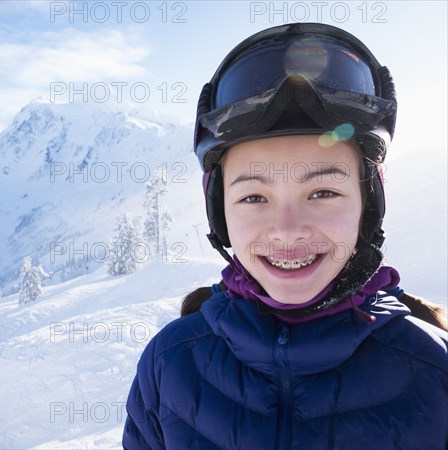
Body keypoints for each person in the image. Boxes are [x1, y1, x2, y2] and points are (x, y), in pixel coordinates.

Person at [122, 23, 447, 449]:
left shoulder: (434, 367)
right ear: (220, 213)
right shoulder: (169, 365)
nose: (288, 231)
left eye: (324, 192)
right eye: (254, 197)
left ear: (367, 207)